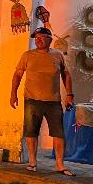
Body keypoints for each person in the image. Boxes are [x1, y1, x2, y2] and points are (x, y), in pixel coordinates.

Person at [10, 27, 75, 176]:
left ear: (50, 40)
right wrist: (13, 93)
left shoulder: (57, 55)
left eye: (41, 37)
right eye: (36, 38)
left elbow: (66, 75)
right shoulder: (28, 55)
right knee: (31, 131)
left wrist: (70, 95)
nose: (38, 40)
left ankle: (60, 164)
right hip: (32, 100)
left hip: (53, 101)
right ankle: (32, 161)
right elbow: (17, 75)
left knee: (58, 133)